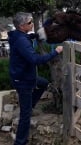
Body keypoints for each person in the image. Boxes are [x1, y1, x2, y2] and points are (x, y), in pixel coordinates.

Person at [8, 12, 63, 145]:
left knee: (43, 83)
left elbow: (30, 36)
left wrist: (39, 32)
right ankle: (20, 142)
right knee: (25, 117)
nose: (32, 24)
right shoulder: (21, 41)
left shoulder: (19, 36)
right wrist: (55, 52)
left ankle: (30, 105)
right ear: (22, 26)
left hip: (24, 76)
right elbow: (34, 59)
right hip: (23, 81)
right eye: (30, 22)